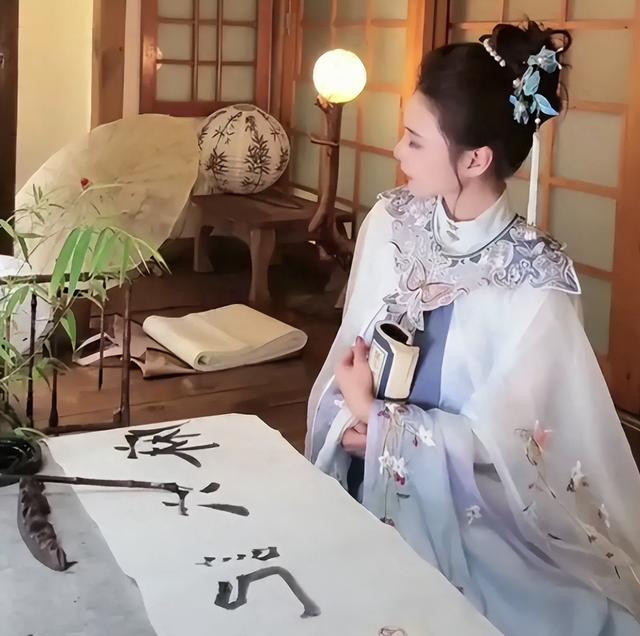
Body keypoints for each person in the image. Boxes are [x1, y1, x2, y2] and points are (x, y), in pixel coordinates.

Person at [305, 20, 640, 636]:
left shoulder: (534, 280)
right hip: (359, 471)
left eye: (414, 140)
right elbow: (348, 354)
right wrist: (350, 415)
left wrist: (379, 423)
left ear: (476, 158)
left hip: (472, 512)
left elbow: (506, 446)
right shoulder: (391, 221)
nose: (397, 152)